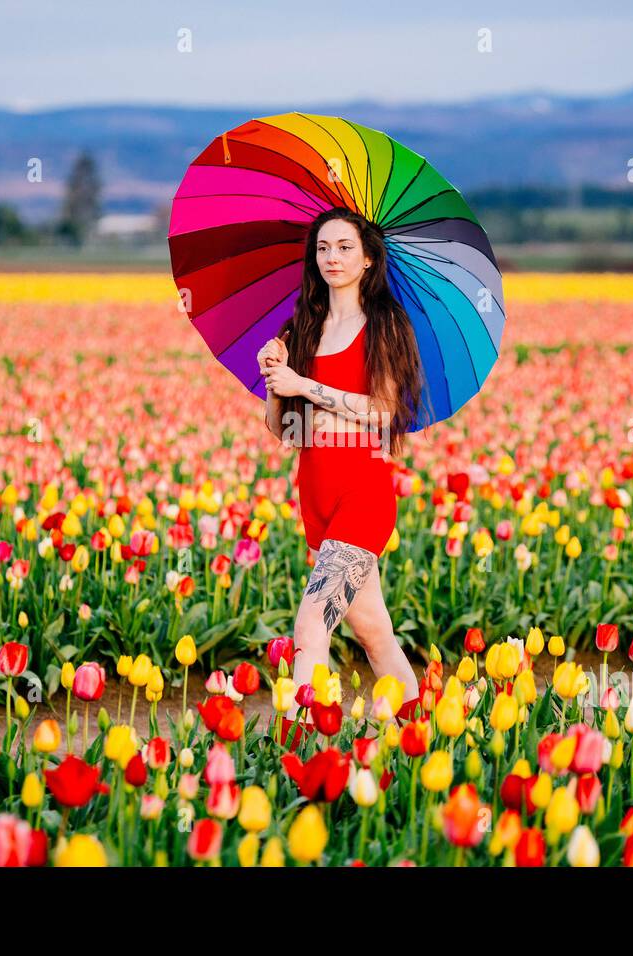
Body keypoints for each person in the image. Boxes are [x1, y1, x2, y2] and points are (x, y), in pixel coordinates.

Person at [256, 207, 430, 748]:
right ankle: (421, 733)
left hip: (364, 491)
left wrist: (303, 385)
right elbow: (282, 431)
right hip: (317, 492)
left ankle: (300, 748)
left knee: (311, 625)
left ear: (369, 258)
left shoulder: (385, 324)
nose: (332, 258)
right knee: (374, 634)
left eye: (345, 248)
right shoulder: (302, 327)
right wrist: (274, 381)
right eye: (324, 248)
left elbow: (384, 411)